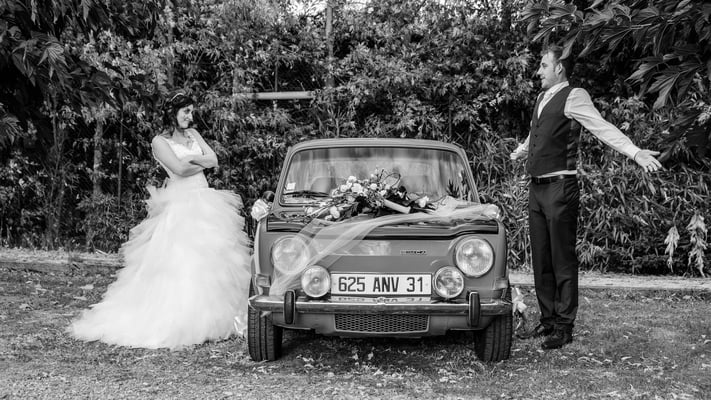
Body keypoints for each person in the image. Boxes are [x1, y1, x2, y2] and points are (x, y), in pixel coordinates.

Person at [69, 91, 251, 349]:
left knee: (214, 260)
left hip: (206, 200)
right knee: (183, 262)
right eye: (186, 111)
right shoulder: (159, 142)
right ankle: (184, 321)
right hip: (181, 204)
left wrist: (192, 159)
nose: (190, 116)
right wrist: (199, 162)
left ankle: (216, 318)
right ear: (172, 113)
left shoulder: (194, 134)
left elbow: (214, 160)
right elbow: (179, 169)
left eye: (191, 111)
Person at [510, 45, 662, 350]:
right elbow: (535, 131)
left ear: (559, 68)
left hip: (560, 188)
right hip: (536, 189)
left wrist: (635, 152)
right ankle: (548, 319)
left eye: (543, 66)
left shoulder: (574, 96)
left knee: (561, 258)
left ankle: (564, 327)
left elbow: (601, 128)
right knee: (541, 258)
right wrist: (521, 151)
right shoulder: (541, 98)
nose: (538, 71)